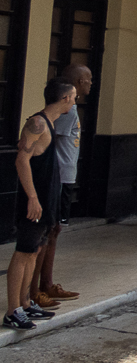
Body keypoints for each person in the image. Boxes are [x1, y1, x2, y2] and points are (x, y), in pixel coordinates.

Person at [5, 78, 76, 330]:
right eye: (74, 96)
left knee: (34, 251)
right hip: (34, 202)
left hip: (47, 201)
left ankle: (25, 303)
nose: (75, 101)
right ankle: (13, 310)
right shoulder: (37, 123)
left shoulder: (49, 124)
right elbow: (21, 161)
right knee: (24, 252)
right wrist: (33, 198)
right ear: (65, 98)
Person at [28, 64, 91, 311]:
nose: (90, 84)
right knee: (48, 232)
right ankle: (37, 289)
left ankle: (46, 284)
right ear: (75, 82)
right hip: (60, 177)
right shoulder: (66, 111)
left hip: (66, 176)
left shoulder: (71, 108)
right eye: (87, 79)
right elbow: (50, 141)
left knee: (54, 232)